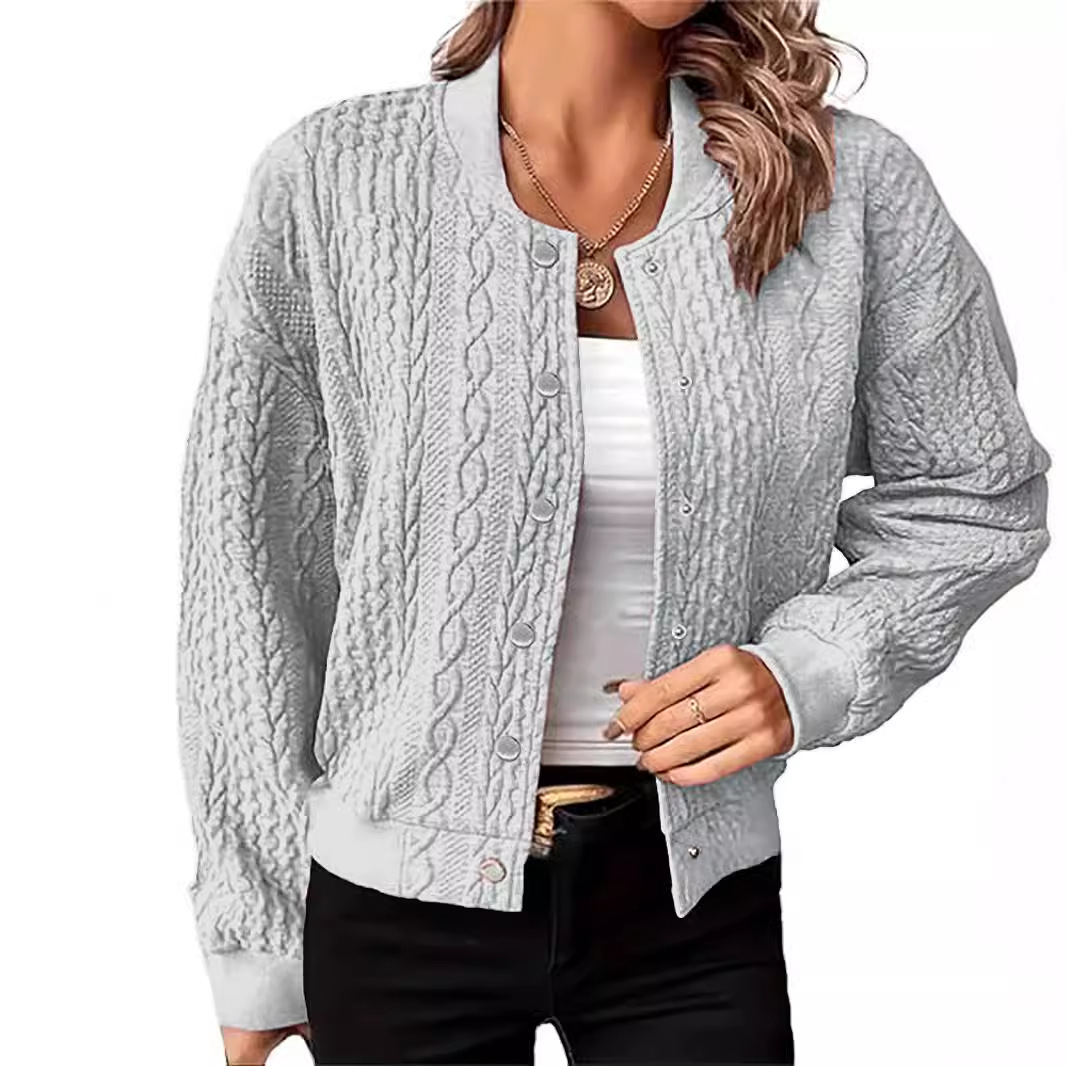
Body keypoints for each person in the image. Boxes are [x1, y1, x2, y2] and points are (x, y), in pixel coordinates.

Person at [175, 2, 1052, 1064]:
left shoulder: (848, 184)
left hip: (690, 906)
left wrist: (811, 669)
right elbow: (247, 573)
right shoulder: (336, 177)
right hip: (394, 908)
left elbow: (976, 491)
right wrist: (261, 933)